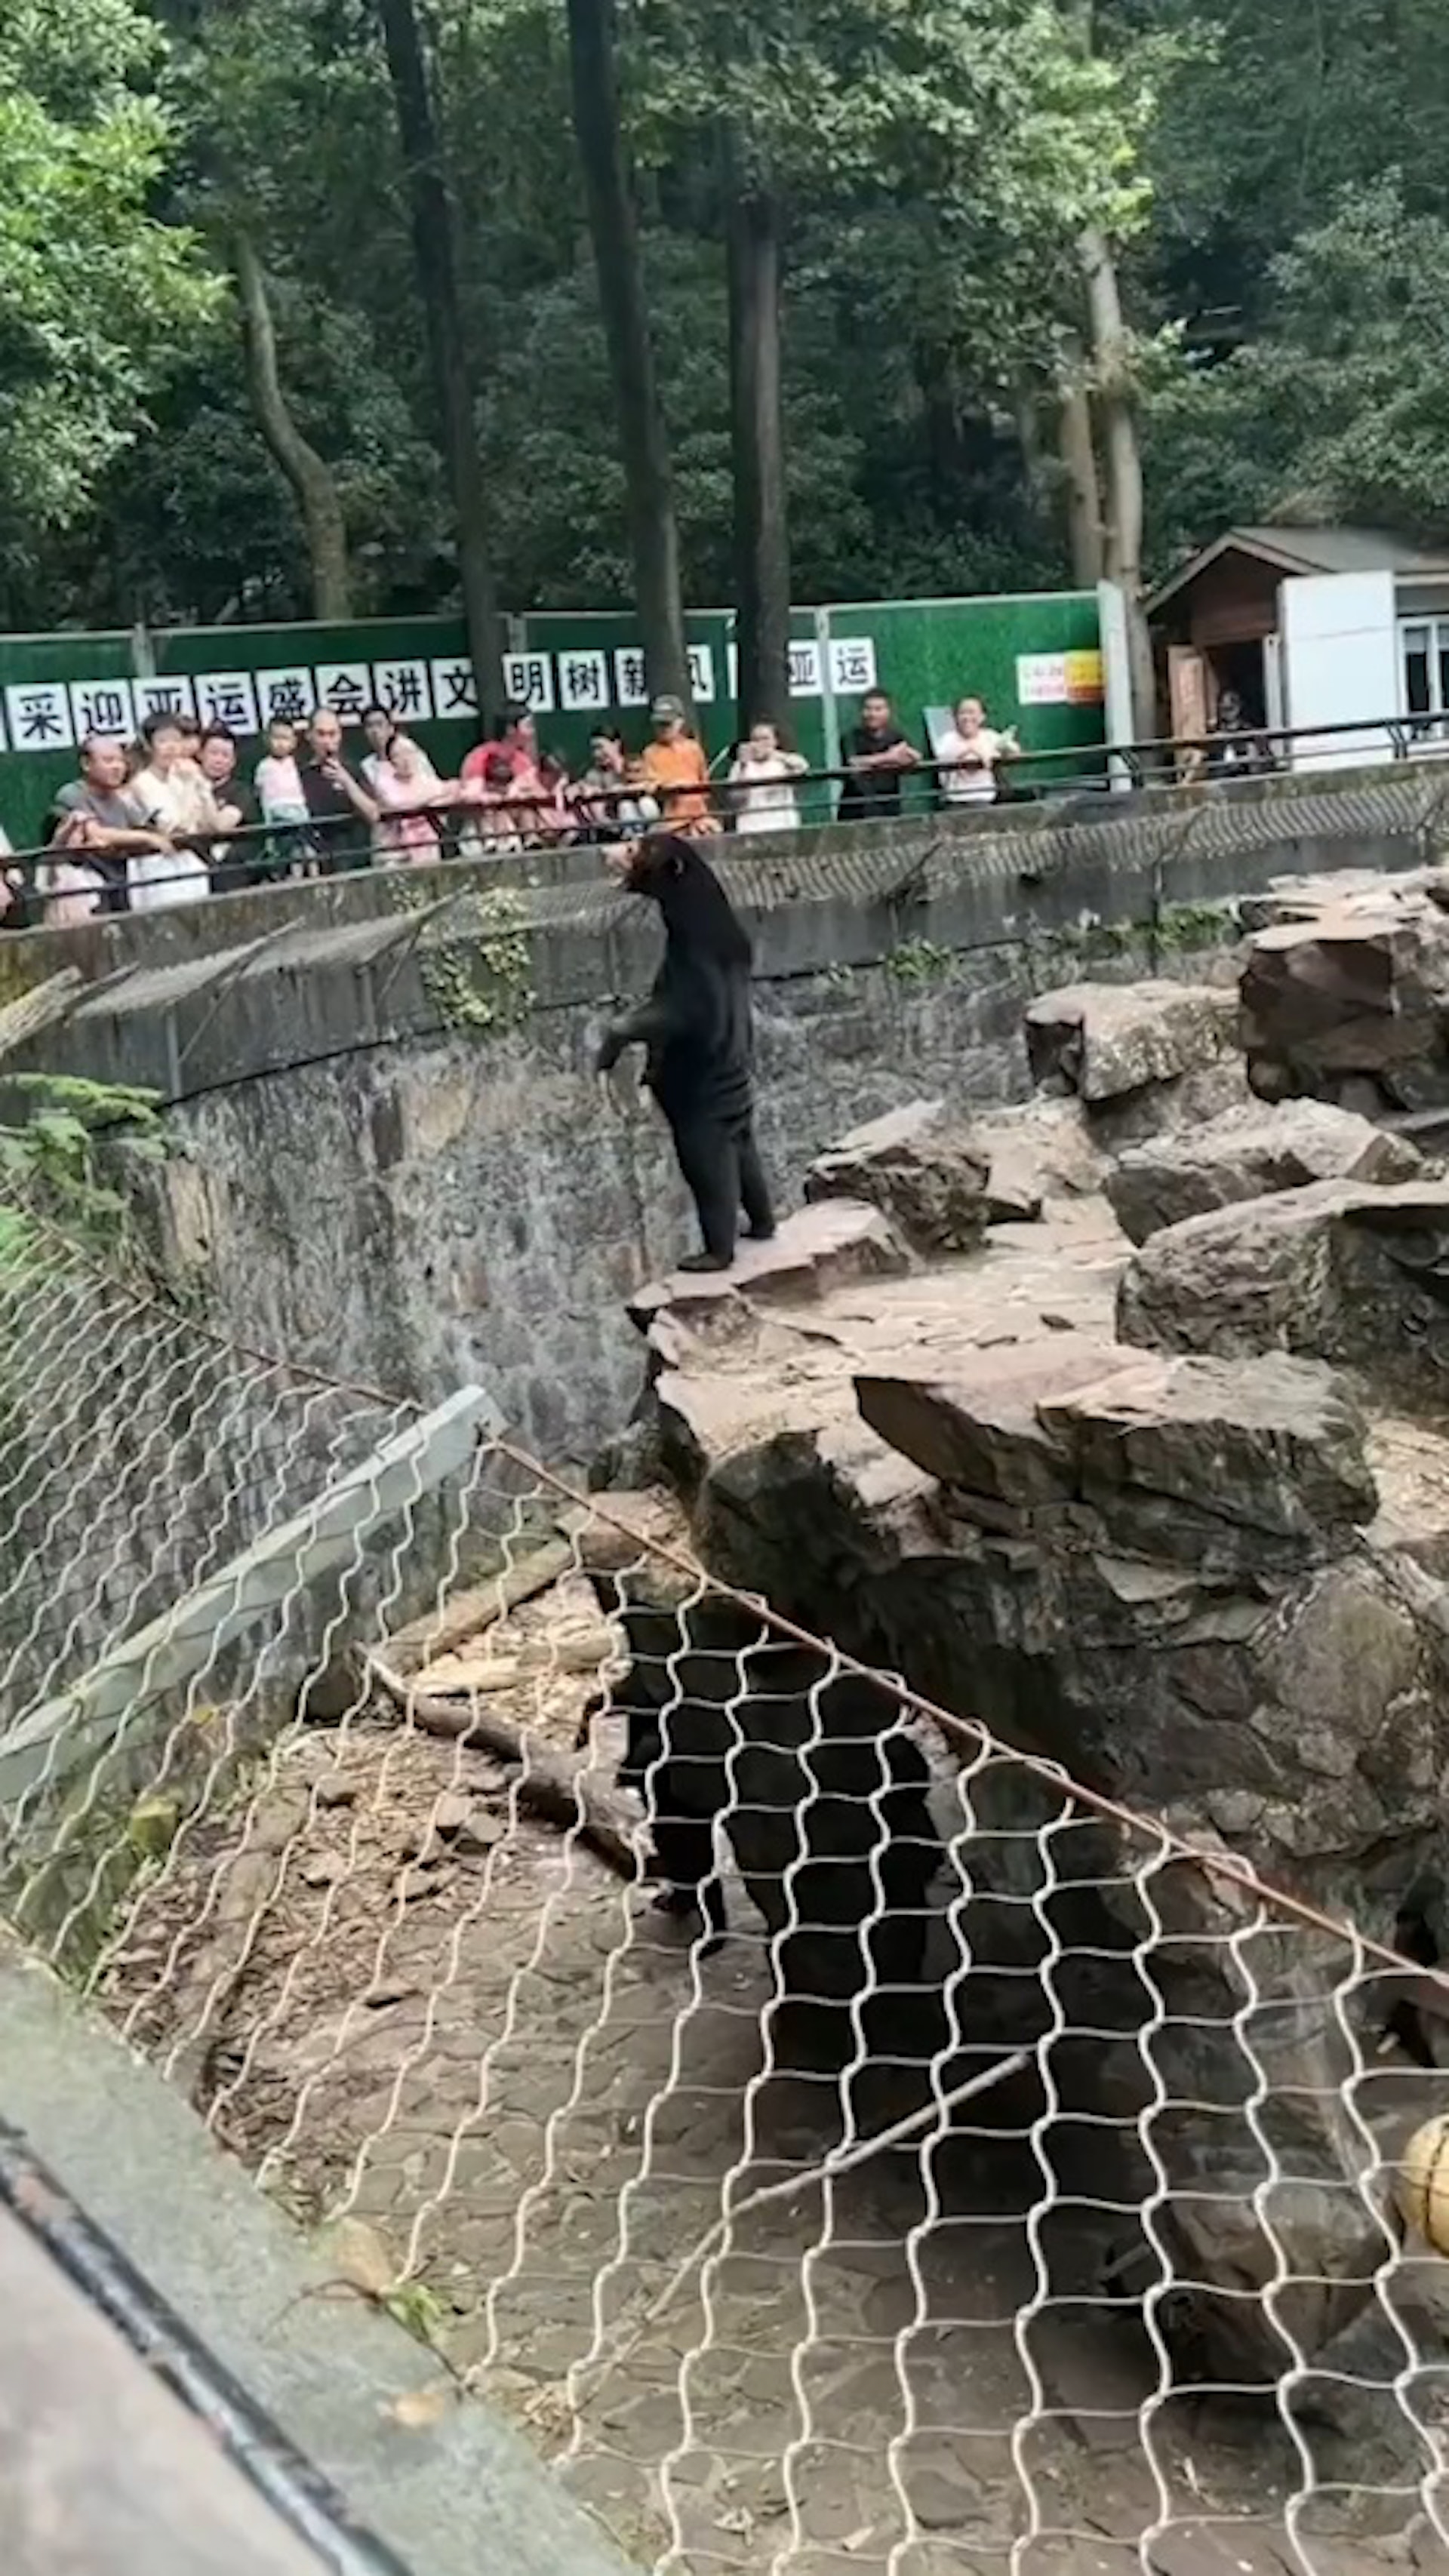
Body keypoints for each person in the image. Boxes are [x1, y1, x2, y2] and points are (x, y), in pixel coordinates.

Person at [595, 832, 775, 1274]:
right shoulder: (717, 931)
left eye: (634, 853)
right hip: (729, 1067)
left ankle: (720, 1250)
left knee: (706, 1159)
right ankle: (763, 1221)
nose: (618, 855)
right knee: (739, 1139)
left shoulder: (697, 945)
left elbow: (685, 1010)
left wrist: (621, 1031)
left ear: (671, 874)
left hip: (700, 1082)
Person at [50, 733, 174, 915]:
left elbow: (150, 825)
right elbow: (96, 833)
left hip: (120, 879)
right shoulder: (72, 793)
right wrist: (147, 838)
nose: (117, 767)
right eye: (108, 761)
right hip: (85, 881)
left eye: (121, 761)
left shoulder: (121, 798)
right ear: (86, 764)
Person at [128, 712, 219, 907]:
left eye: (176, 740)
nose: (171, 747)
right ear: (148, 745)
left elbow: (212, 824)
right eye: (163, 741)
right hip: (160, 868)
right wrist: (188, 786)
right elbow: (176, 828)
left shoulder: (182, 778)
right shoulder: (141, 784)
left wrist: (202, 786)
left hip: (191, 863)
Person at [298, 707, 380, 873]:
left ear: (340, 736)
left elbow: (373, 813)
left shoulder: (353, 769)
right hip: (321, 863)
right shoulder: (302, 776)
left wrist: (346, 781)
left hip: (356, 859)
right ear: (309, 736)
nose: (327, 741)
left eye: (332, 734)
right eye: (321, 734)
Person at [372, 732, 459, 864]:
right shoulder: (384, 781)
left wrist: (435, 798)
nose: (406, 759)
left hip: (429, 841)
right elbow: (399, 805)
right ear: (390, 760)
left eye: (410, 753)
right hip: (396, 848)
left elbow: (452, 789)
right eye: (398, 755)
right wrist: (431, 799)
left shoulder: (423, 778)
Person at [837, 689, 918, 820]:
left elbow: (914, 756)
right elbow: (853, 762)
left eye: (878, 709)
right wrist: (889, 757)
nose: (872, 714)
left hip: (888, 808)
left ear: (888, 712)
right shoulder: (850, 737)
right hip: (855, 811)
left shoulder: (896, 736)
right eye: (868, 709)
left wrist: (873, 761)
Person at [640, 696, 712, 833]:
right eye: (660, 724)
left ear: (680, 722)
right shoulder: (650, 753)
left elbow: (705, 785)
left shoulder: (693, 748)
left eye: (668, 723)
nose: (664, 728)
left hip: (699, 815)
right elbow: (652, 785)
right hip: (669, 819)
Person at [728, 720, 808, 835]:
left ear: (775, 741)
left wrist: (774, 754)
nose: (760, 743)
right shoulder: (740, 765)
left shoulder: (784, 761)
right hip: (751, 827)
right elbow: (735, 797)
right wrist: (743, 766)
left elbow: (803, 767)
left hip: (782, 825)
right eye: (755, 739)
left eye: (765, 739)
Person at [937, 696, 1019, 807]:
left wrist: (1006, 746)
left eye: (972, 712)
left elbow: (1015, 752)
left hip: (986, 798)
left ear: (982, 717)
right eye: (962, 713)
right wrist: (980, 752)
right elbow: (963, 758)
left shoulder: (989, 736)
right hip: (956, 801)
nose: (967, 717)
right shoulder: (947, 739)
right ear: (955, 717)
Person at [462, 704, 540, 795]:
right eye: (528, 726)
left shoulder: (522, 761)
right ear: (510, 729)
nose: (532, 731)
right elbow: (472, 794)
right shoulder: (479, 757)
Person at [572, 727, 626, 838]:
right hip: (606, 831)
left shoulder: (633, 767)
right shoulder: (593, 774)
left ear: (616, 744)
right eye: (593, 749)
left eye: (600, 748)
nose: (596, 754)